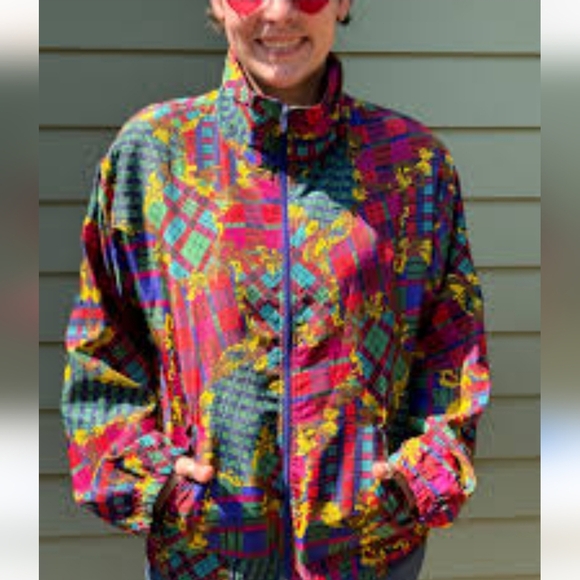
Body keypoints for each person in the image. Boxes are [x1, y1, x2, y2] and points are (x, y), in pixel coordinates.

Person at [61, 1, 491, 579]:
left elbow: (453, 348)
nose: (280, 11)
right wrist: (159, 484)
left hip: (366, 557)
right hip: (205, 558)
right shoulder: (155, 154)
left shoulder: (411, 165)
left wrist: (413, 482)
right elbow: (103, 345)